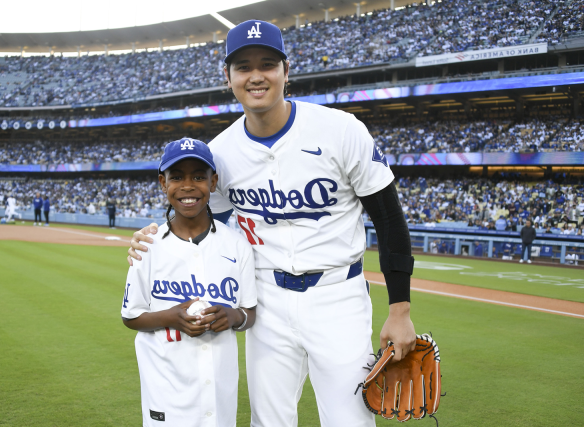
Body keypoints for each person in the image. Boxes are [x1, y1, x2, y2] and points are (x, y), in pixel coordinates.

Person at [127, 20, 416, 427]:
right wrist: (156, 232)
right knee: (269, 421)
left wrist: (400, 309)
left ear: (285, 70)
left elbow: (388, 219)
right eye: (243, 67)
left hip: (338, 295)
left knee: (350, 420)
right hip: (267, 301)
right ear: (228, 77)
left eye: (267, 64)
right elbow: (205, 220)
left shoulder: (340, 129)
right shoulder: (222, 153)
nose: (256, 75)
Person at [121, 138, 257, 427]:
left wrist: (233, 316)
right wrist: (172, 316)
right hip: (166, 386)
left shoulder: (237, 245)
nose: (187, 186)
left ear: (213, 181)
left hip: (219, 385)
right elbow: (130, 316)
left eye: (198, 176)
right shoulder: (148, 245)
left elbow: (248, 314)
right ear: (162, 183)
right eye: (177, 177)